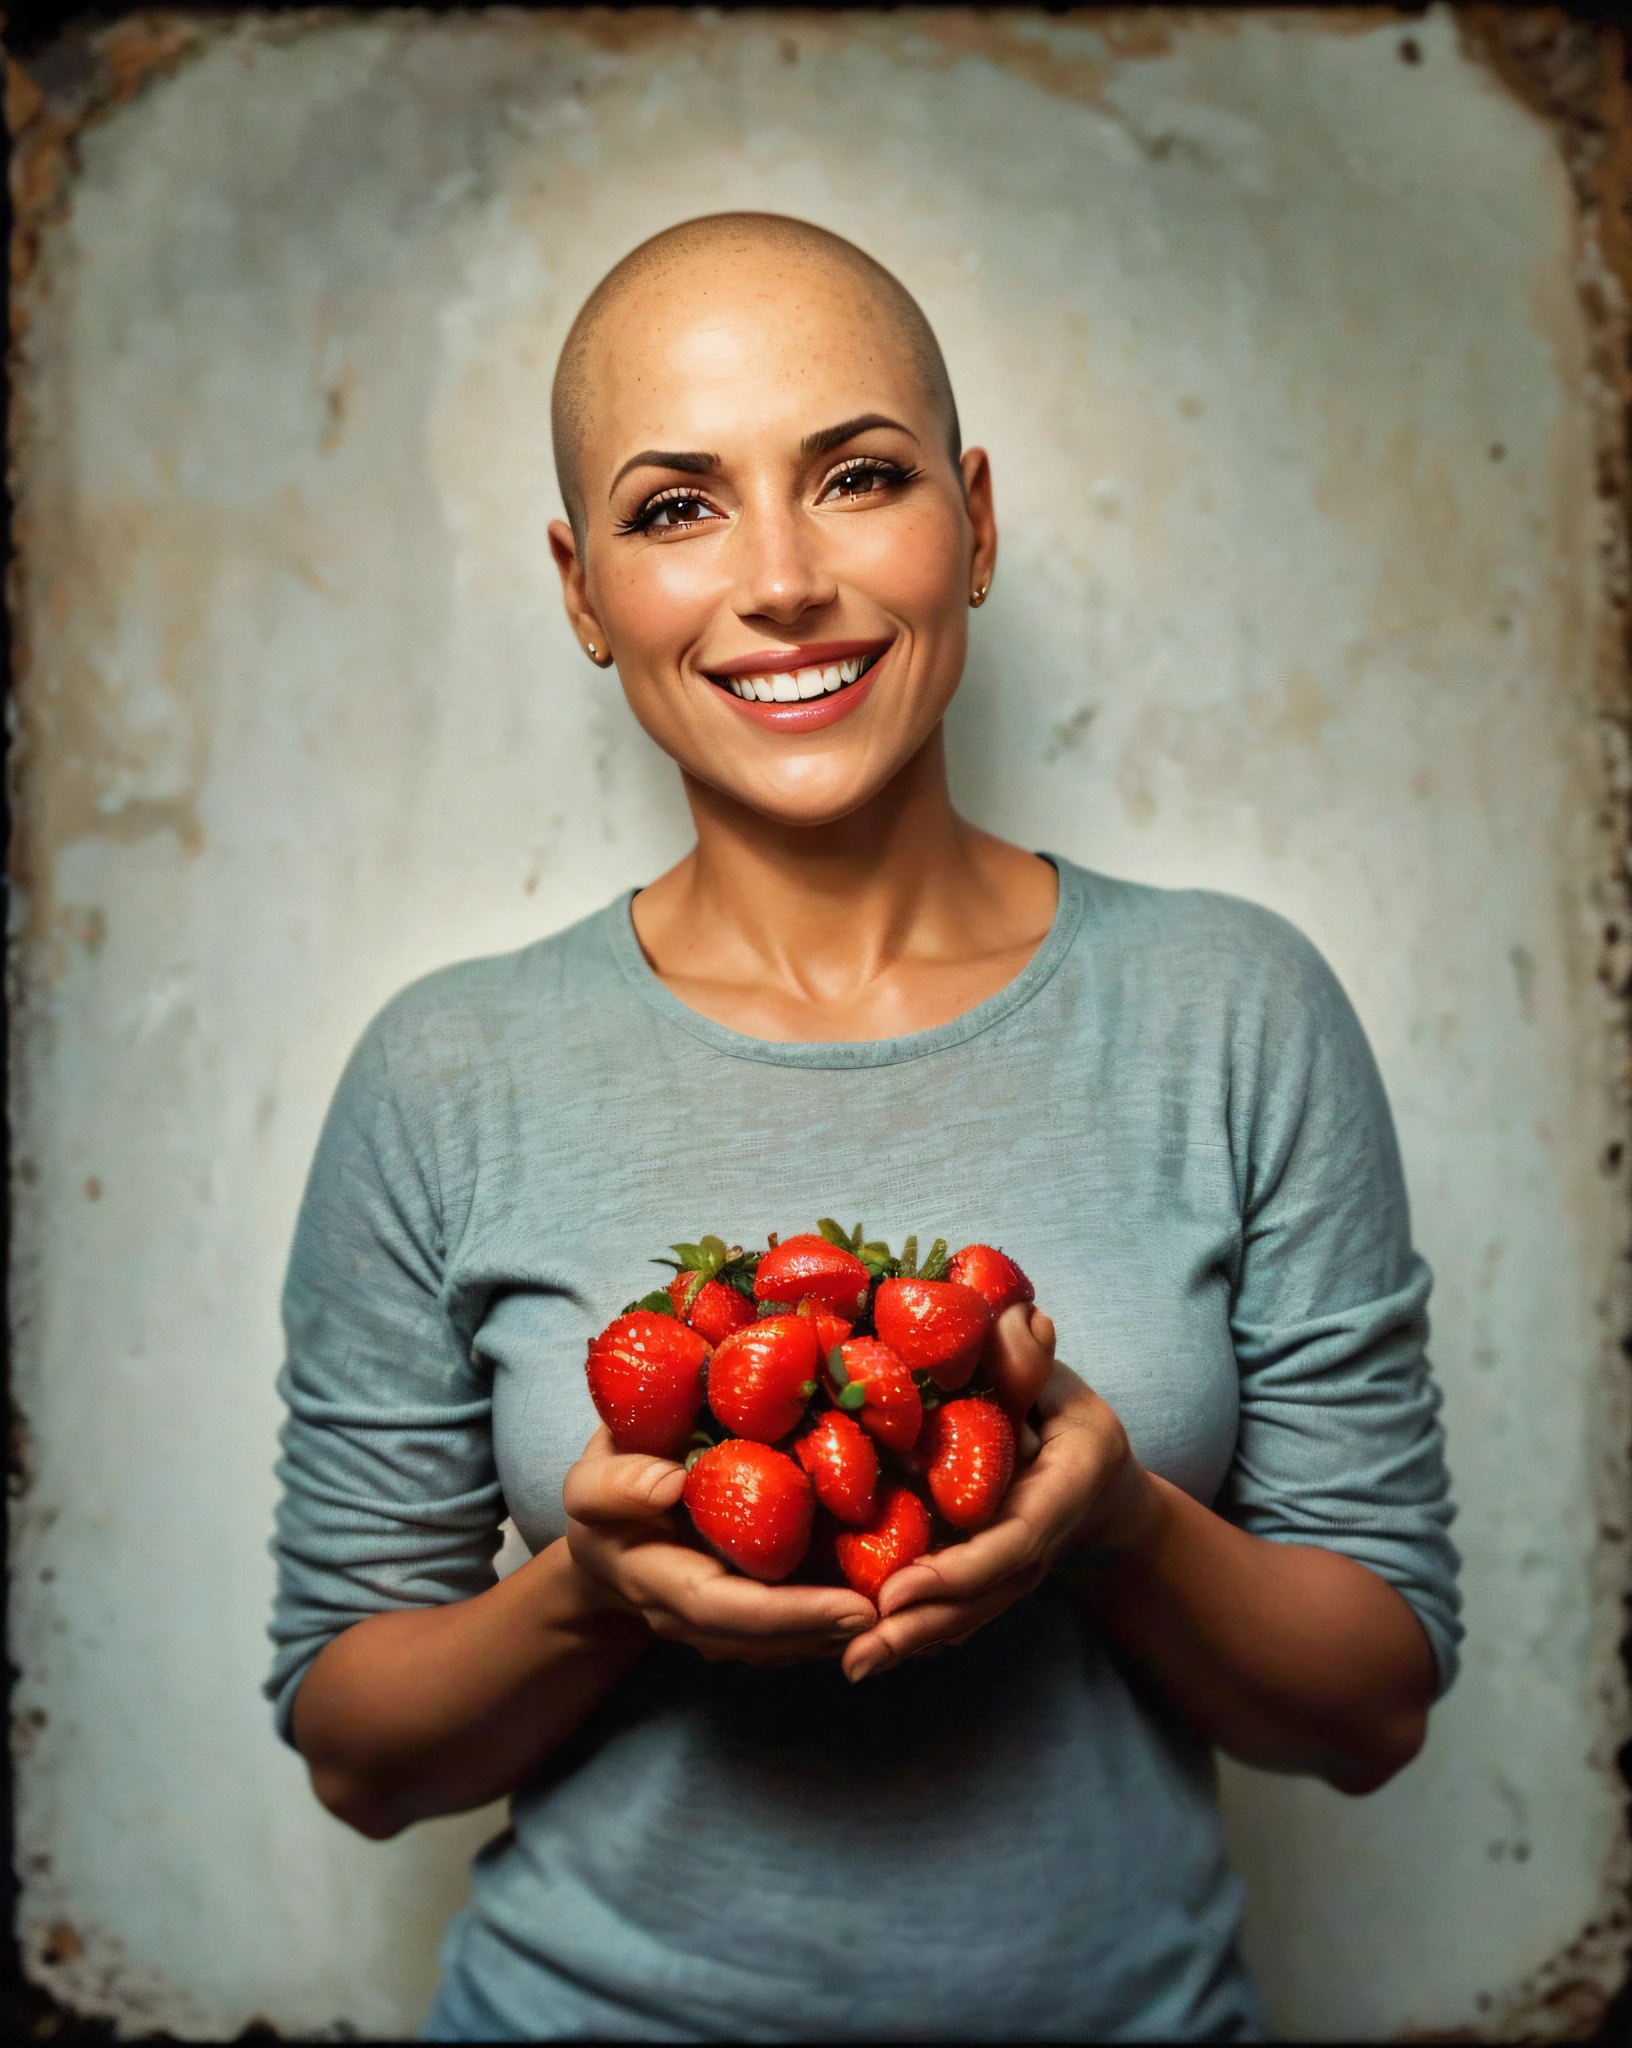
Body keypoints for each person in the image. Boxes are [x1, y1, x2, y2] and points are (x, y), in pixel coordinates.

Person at [267, 213, 1460, 2042]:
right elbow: (361, 1759)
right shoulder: (448, 1071)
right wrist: (594, 1596)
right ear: (585, 594)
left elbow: (1372, 1715)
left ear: (973, 520)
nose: (783, 579)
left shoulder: (1236, 1011)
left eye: (859, 477)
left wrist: (1116, 1522)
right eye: (678, 510)